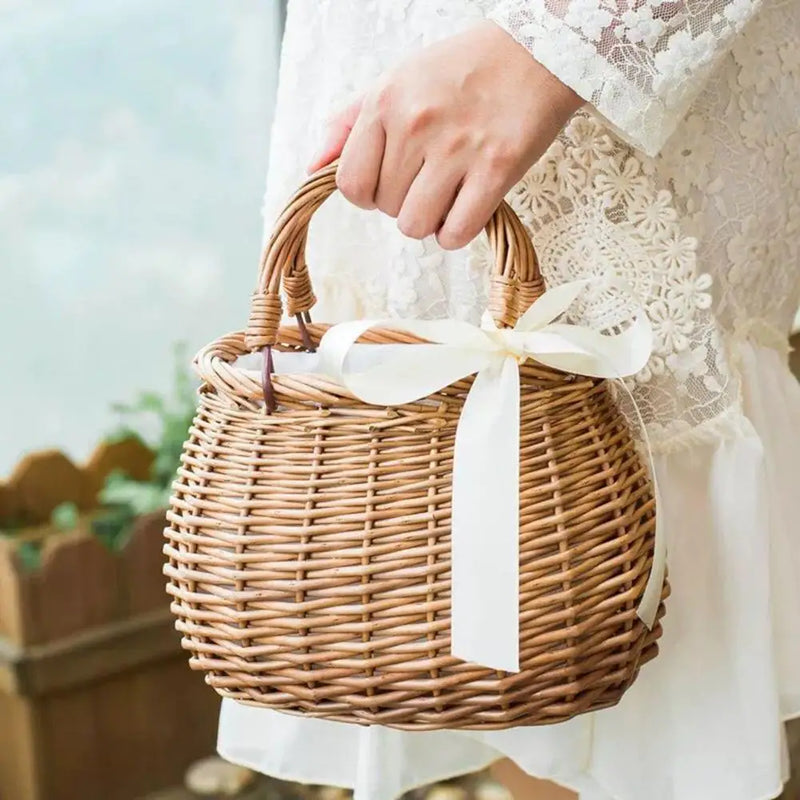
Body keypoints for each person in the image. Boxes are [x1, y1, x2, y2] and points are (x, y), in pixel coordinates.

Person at [218, 2, 800, 799]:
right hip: (390, 61)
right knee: (498, 640)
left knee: (651, 657)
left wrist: (551, 48)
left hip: (592, 95)